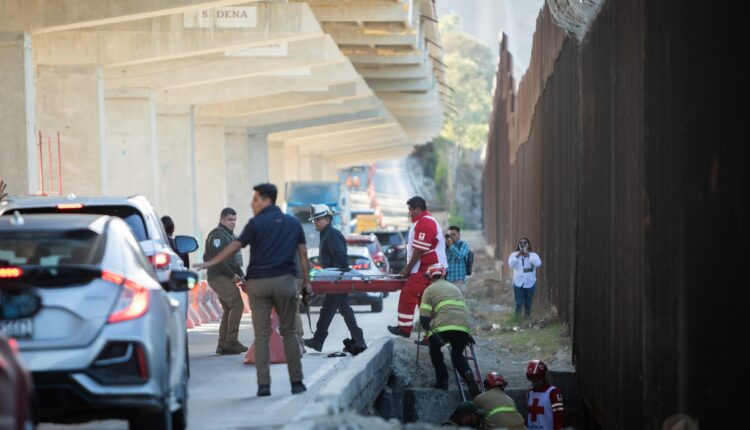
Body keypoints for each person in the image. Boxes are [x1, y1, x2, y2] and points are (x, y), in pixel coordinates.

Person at [194, 183, 311, 397]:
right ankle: (296, 382)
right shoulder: (293, 223)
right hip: (285, 281)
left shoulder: (255, 224)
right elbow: (303, 255)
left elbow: (235, 246)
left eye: (255, 199)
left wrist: (210, 263)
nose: (252, 203)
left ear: (267, 200)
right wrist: (307, 283)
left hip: (260, 283)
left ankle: (263, 385)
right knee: (289, 333)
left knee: (262, 334)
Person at [303, 204, 367, 355]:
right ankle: (320, 340)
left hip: (337, 280)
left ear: (327, 218)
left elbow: (340, 260)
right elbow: (330, 260)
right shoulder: (326, 233)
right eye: (314, 220)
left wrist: (336, 277)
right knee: (331, 309)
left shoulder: (332, 234)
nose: (315, 223)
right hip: (334, 280)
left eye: (317, 219)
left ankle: (358, 340)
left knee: (340, 309)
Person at [387, 196, 447, 338]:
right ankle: (431, 336)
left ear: (418, 209)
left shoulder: (425, 223)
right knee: (424, 302)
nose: (409, 213)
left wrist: (407, 269)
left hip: (430, 268)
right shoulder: (423, 221)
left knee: (408, 292)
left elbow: (419, 251)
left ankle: (404, 329)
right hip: (428, 267)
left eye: (411, 210)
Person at [419, 263, 480, 397]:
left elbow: (424, 319)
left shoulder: (429, 290)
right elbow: (460, 310)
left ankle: (442, 381)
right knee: (457, 356)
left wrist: (429, 333)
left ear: (429, 276)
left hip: (442, 328)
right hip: (463, 328)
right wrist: (467, 334)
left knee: (436, 354)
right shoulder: (455, 288)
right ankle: (469, 378)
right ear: (444, 274)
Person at [202, 208, 246, 355]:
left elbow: (233, 260)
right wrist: (233, 275)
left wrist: (241, 275)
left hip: (224, 276)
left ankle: (223, 344)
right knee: (237, 304)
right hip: (218, 276)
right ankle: (231, 341)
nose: (233, 222)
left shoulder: (228, 236)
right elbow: (219, 259)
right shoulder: (218, 236)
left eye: (234, 219)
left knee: (229, 308)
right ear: (221, 219)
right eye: (229, 219)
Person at [507, 237, 542, 318]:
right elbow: (510, 265)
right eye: (521, 243)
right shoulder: (514, 255)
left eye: (525, 243)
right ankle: (517, 319)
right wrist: (518, 255)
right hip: (518, 283)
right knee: (518, 303)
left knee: (528, 304)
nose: (523, 245)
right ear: (518, 245)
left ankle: (527, 320)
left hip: (530, 283)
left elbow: (538, 264)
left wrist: (528, 255)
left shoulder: (533, 255)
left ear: (528, 245)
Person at [525, 360, 564, 430]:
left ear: (544, 377)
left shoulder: (554, 392)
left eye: (537, 380)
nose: (535, 383)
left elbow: (558, 418)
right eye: (532, 380)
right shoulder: (530, 392)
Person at [445, 225, 470, 292]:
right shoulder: (446, 245)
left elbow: (460, 255)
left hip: (459, 280)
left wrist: (451, 246)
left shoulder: (463, 244)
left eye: (453, 234)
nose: (451, 237)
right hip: (447, 280)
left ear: (459, 234)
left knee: (459, 301)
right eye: (450, 235)